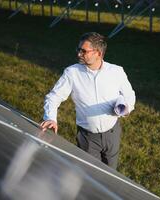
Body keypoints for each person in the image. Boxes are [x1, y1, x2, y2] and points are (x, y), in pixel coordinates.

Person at [40, 32, 136, 169]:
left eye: (83, 51)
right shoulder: (72, 73)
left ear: (98, 53)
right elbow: (54, 96)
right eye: (78, 50)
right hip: (88, 137)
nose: (79, 54)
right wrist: (50, 117)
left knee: (111, 173)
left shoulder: (117, 71)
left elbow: (130, 95)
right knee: (90, 174)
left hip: (112, 133)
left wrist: (126, 108)